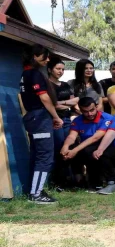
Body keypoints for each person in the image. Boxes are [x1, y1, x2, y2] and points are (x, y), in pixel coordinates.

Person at [20, 44, 63, 204]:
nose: (48, 59)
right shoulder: (34, 74)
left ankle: (35, 190)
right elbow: (44, 98)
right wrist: (55, 116)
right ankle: (36, 194)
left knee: (37, 155)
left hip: (33, 118)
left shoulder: (25, 74)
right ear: (35, 57)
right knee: (45, 156)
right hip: (39, 118)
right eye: (44, 56)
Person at [60, 97, 112, 191]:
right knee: (68, 149)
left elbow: (96, 137)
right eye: (85, 111)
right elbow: (72, 136)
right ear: (80, 109)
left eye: (92, 110)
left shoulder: (107, 118)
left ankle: (95, 183)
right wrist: (65, 146)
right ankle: (76, 181)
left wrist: (75, 150)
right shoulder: (77, 120)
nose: (89, 114)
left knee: (87, 151)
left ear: (96, 107)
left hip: (103, 146)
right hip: (85, 146)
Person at [47, 56, 78, 188]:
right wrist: (67, 103)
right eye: (58, 69)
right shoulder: (47, 84)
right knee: (59, 148)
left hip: (67, 119)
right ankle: (57, 180)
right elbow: (52, 105)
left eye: (63, 69)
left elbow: (75, 101)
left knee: (68, 147)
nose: (60, 71)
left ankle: (68, 179)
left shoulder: (65, 85)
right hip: (55, 120)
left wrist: (62, 103)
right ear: (49, 69)